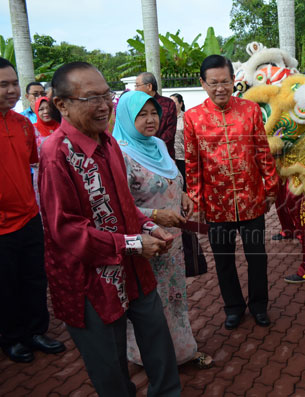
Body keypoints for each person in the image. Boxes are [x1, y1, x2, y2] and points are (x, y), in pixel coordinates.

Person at [38, 61, 180, 397]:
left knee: (160, 347)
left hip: (135, 271)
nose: (104, 106)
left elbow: (125, 206)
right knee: (111, 371)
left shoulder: (109, 143)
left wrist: (149, 226)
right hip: (91, 283)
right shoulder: (56, 154)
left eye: (107, 96)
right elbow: (67, 231)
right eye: (91, 98)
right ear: (62, 104)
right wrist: (134, 243)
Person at [112, 90, 213, 369]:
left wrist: (182, 196)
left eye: (153, 113)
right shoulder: (120, 153)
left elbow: (171, 177)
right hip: (147, 244)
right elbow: (118, 208)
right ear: (125, 117)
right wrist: (155, 215)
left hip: (173, 242)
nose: (149, 120)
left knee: (176, 298)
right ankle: (150, 358)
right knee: (149, 304)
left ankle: (183, 350)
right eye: (141, 114)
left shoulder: (156, 144)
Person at [185, 55, 279, 330]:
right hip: (216, 204)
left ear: (233, 80)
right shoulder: (193, 118)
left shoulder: (250, 110)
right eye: (213, 83)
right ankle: (233, 307)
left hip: (251, 199)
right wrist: (196, 198)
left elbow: (262, 151)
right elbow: (192, 163)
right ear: (203, 83)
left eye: (225, 81)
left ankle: (259, 306)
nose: (220, 88)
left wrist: (271, 187)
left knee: (257, 258)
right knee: (223, 261)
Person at [0, 57, 65, 364]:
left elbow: (31, 164)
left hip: (28, 217)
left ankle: (37, 331)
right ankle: (11, 338)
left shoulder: (23, 124)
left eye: (14, 83)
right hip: (1, 229)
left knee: (35, 278)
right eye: (4, 85)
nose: (12, 90)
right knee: (6, 285)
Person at [171, 92, 208, 277]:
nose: (172, 105)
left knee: (190, 187)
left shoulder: (187, 118)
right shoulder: (168, 120)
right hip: (176, 158)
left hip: (188, 157)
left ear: (180, 103)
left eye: (174, 102)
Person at [135, 72, 177, 159]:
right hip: (141, 154)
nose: (135, 89)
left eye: (137, 85)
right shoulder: (136, 105)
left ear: (149, 86)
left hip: (164, 154)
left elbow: (170, 132)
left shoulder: (168, 104)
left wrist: (153, 147)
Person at [31, 96, 60, 205]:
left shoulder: (62, 128)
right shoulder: (32, 130)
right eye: (41, 109)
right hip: (42, 175)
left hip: (62, 173)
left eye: (48, 108)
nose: (46, 111)